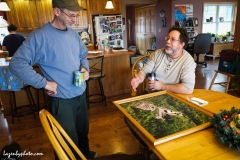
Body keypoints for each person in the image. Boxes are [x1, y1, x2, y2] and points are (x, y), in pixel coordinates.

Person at [9, 0, 98, 159]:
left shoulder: (72, 34)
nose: (74, 20)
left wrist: (85, 68)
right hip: (61, 100)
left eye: (76, 16)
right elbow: (16, 64)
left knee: (82, 132)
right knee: (65, 141)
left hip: (80, 94)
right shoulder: (40, 36)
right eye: (71, 15)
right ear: (57, 11)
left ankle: (84, 155)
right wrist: (44, 83)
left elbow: (82, 55)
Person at [128, 25, 196, 160]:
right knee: (129, 118)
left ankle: (157, 150)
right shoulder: (158, 53)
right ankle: (149, 146)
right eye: (167, 38)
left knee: (162, 123)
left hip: (172, 99)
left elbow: (188, 88)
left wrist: (162, 86)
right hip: (151, 95)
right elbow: (145, 71)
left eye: (173, 39)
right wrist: (138, 79)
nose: (168, 42)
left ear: (182, 44)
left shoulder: (188, 61)